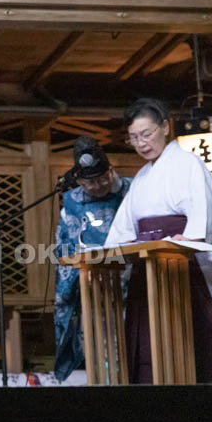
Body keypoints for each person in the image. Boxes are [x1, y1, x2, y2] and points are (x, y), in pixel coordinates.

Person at [105, 98, 212, 383]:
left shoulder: (187, 163)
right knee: (148, 345)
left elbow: (205, 208)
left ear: (165, 127)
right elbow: (124, 227)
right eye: (133, 138)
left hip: (180, 266)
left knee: (188, 342)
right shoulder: (141, 177)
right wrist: (116, 249)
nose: (141, 143)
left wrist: (189, 238)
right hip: (148, 268)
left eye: (146, 134)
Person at [54, 136, 130, 382]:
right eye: (89, 182)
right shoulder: (70, 203)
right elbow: (64, 246)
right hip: (91, 285)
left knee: (131, 344)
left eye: (102, 179)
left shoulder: (131, 191)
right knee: (99, 346)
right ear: (77, 180)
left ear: (111, 170)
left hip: (131, 281)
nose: (97, 186)